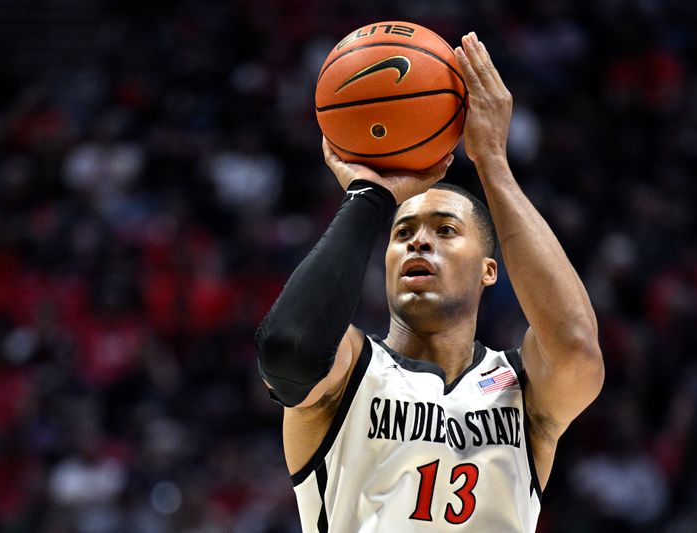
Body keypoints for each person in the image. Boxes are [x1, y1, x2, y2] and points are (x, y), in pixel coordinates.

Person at [255, 31, 604, 532]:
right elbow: (288, 350)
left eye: (445, 230)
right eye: (402, 233)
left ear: (489, 269)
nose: (419, 242)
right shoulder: (352, 373)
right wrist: (370, 198)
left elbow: (577, 348)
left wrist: (494, 167)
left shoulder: (522, 392)